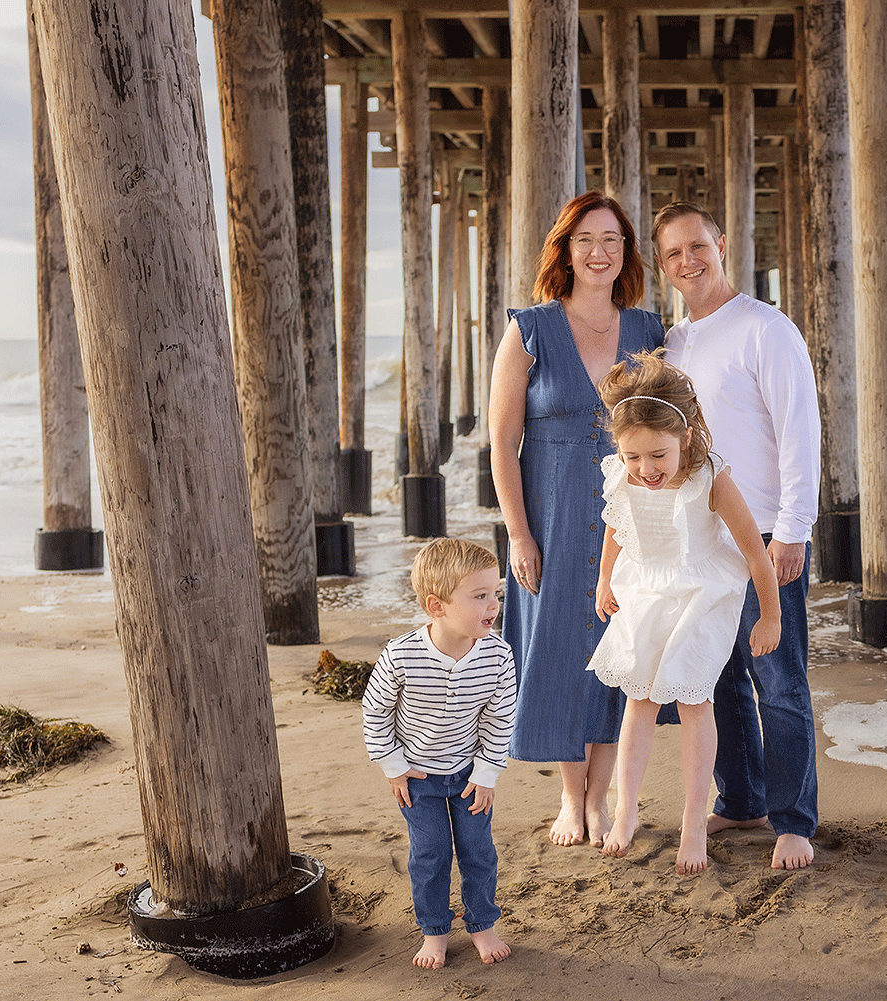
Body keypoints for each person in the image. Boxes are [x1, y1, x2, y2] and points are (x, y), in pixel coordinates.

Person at [489, 192, 664, 848]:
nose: (599, 252)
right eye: (585, 239)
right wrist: (518, 533)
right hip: (552, 518)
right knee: (559, 649)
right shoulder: (530, 329)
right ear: (565, 249)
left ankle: (601, 795)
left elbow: (673, 431)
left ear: (626, 253)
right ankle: (571, 796)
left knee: (618, 651)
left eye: (612, 240)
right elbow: (501, 442)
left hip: (630, 521)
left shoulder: (649, 332)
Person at [652, 201, 823, 871]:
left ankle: (794, 820)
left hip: (766, 533)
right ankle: (743, 796)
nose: (688, 260)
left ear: (721, 245)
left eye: (697, 245)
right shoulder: (673, 343)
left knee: (777, 678)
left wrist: (794, 531)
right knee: (715, 678)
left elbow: (799, 431)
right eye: (673, 253)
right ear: (662, 266)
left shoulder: (766, 328)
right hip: (700, 540)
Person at [588, 352, 782, 874]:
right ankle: (626, 810)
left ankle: (694, 821)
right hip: (645, 588)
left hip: (701, 593)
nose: (646, 469)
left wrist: (770, 617)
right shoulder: (622, 475)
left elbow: (755, 552)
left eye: (658, 455)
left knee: (696, 702)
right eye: (632, 456)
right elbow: (617, 527)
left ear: (686, 439)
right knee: (640, 699)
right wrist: (605, 580)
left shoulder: (710, 478)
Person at [361, 538, 516, 969]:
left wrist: (486, 774)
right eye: (480, 596)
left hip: (469, 775)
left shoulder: (499, 656)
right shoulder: (401, 655)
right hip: (417, 778)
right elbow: (375, 711)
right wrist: (393, 767)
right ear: (437, 606)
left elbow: (500, 719)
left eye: (496, 593)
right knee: (430, 855)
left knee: (478, 851)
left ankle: (482, 923)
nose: (493, 604)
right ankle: (435, 931)